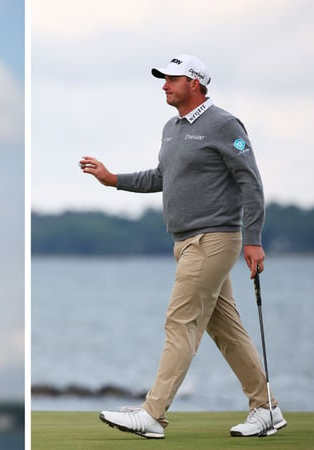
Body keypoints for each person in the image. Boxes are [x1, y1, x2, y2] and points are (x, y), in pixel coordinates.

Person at [80, 54, 287, 439]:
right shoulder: (171, 128)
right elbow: (162, 176)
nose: (163, 85)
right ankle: (266, 409)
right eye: (163, 79)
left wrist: (254, 239)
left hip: (214, 240)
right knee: (226, 330)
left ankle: (153, 414)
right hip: (185, 241)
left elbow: (251, 182)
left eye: (171, 79)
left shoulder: (224, 124)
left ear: (194, 83)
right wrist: (113, 180)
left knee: (180, 322)